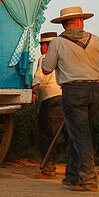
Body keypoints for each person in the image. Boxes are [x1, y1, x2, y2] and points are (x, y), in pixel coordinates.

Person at [39, 6, 99, 192]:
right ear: (81, 21)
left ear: (64, 24)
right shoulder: (95, 39)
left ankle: (88, 180)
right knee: (77, 131)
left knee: (80, 134)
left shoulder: (57, 42)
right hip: (97, 91)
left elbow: (46, 69)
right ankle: (72, 177)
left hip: (73, 92)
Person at [33, 31, 65, 179]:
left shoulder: (44, 58)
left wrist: (33, 93)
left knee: (47, 135)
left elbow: (39, 77)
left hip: (50, 99)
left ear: (46, 46)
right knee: (71, 135)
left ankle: (48, 169)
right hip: (66, 98)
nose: (41, 49)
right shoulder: (64, 57)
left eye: (41, 45)